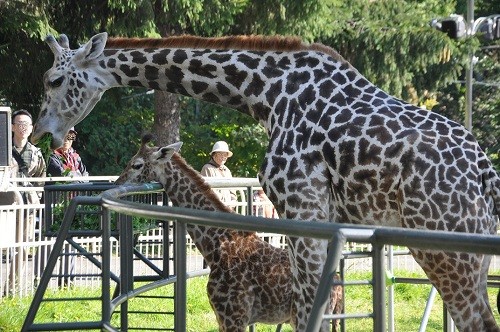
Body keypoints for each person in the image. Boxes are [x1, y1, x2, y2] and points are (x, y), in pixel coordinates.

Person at [11, 109, 46, 204]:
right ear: (12, 127)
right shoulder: (4, 151)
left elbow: (40, 177)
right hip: (7, 204)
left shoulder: (36, 153)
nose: (24, 127)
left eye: (27, 124)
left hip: (29, 205)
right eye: (20, 124)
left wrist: (36, 196)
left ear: (31, 128)